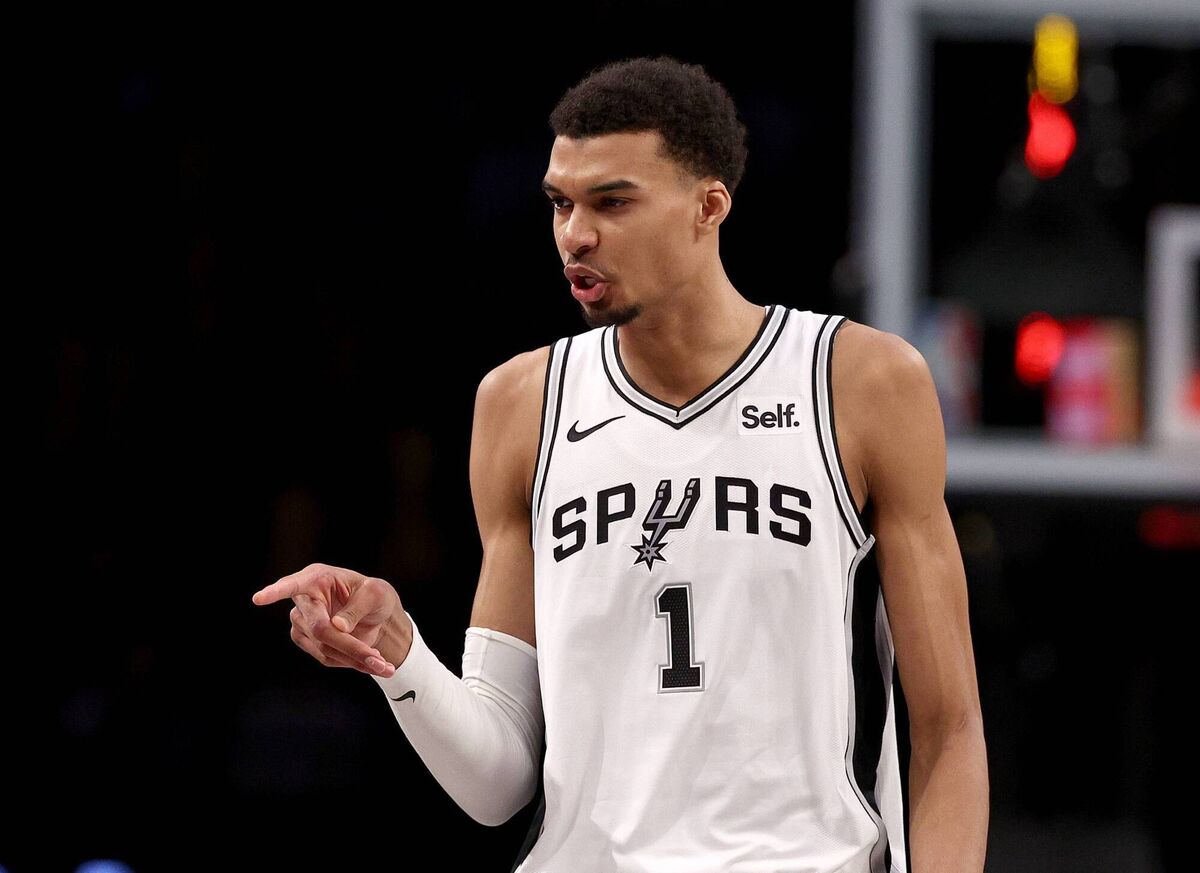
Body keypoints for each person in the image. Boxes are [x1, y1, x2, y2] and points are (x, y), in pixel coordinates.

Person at [252, 55, 989, 872]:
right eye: (561, 203)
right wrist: (400, 653)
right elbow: (499, 781)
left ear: (709, 206)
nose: (575, 233)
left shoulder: (858, 382)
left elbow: (948, 727)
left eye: (612, 201)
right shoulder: (521, 402)